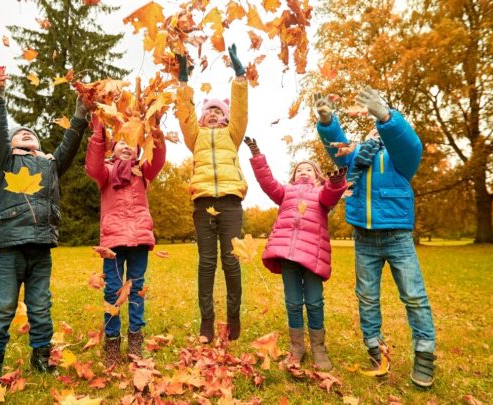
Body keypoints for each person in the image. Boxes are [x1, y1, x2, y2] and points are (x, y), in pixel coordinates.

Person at [315, 87, 437, 387]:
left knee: (414, 296)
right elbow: (336, 147)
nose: (375, 131)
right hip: (364, 239)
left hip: (398, 237)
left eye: (380, 127)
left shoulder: (401, 159)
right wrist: (328, 121)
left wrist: (385, 116)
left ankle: (424, 355)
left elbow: (409, 142)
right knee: (367, 298)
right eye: (372, 127)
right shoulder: (355, 157)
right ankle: (375, 348)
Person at [0, 82, 89, 383]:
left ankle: (41, 357)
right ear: (11, 144)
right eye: (20, 133)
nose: (26, 132)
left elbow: (69, 144)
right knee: (3, 305)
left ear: (40, 146)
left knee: (41, 306)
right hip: (9, 247)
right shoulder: (5, 162)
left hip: (41, 247)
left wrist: (80, 112)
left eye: (32, 134)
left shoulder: (50, 165)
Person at [244, 137, 348, 369]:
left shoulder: (321, 193)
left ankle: (319, 348)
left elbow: (332, 194)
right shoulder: (285, 192)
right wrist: (257, 155)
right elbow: (267, 182)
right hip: (288, 256)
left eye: (309, 169)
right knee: (293, 303)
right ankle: (297, 347)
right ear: (292, 176)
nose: (303, 172)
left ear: (318, 176)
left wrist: (336, 182)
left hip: (312, 258)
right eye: (299, 169)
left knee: (314, 302)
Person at [174, 44, 248, 343]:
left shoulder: (233, 134)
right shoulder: (196, 137)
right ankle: (207, 321)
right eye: (210, 111)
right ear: (203, 118)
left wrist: (240, 76)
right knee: (207, 262)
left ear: (226, 117)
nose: (214, 114)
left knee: (230, 261)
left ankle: (233, 318)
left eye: (220, 111)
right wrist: (183, 83)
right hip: (203, 202)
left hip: (230, 202)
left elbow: (241, 110)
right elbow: (185, 116)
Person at [85, 116, 166, 366]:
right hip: (113, 240)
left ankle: (135, 340)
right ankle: (112, 341)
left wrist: (155, 130)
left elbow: (158, 159)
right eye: (120, 142)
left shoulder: (142, 172)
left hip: (140, 238)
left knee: (137, 289)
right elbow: (92, 165)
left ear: (138, 149)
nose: (126, 146)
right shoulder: (106, 173)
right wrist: (99, 130)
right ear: (112, 148)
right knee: (112, 290)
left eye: (131, 141)